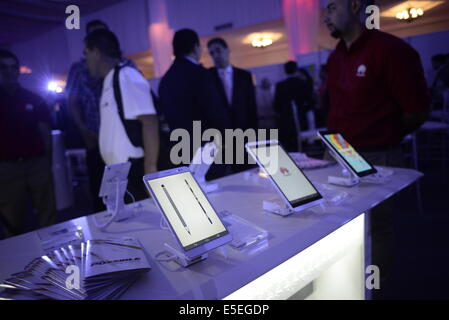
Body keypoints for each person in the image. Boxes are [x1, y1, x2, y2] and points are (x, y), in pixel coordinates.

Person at [324, 0, 430, 298]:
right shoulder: (336, 58)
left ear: (355, 6)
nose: (325, 17)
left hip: (378, 154)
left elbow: (417, 109)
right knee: (340, 226)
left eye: (331, 7)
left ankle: (376, 292)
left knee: (378, 230)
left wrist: (384, 135)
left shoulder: (391, 51)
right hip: (340, 155)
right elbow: (335, 108)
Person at [67, 20, 136, 211]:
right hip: (94, 138)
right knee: (101, 192)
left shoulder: (126, 65)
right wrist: (83, 131)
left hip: (123, 139)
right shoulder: (79, 68)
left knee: (129, 190)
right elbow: (72, 102)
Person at [83, 29, 159, 202]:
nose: (85, 61)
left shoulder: (126, 75)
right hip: (120, 173)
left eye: (86, 54)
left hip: (135, 170)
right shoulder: (110, 80)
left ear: (96, 52)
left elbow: (149, 121)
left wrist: (150, 168)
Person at [0, 49, 56, 237]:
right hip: (7, 167)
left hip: (37, 163)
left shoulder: (32, 98)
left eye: (13, 67)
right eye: (4, 67)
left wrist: (47, 162)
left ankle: (54, 255)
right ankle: (17, 261)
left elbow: (45, 132)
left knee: (47, 212)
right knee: (12, 217)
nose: (9, 71)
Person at [159, 29, 227, 179]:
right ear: (196, 47)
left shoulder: (165, 80)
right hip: (208, 151)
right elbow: (216, 113)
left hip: (180, 151)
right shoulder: (200, 74)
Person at [207, 37, 258, 173]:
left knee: (248, 171)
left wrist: (254, 135)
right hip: (219, 136)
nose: (216, 56)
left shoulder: (244, 76)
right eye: (211, 53)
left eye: (218, 51)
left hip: (244, 132)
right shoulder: (207, 77)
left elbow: (251, 107)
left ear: (227, 51)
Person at [273, 61, 314, 152]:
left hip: (285, 121)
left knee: (288, 148)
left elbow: (276, 106)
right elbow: (310, 103)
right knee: (303, 146)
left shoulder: (280, 86)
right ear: (296, 69)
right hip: (301, 119)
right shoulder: (303, 84)